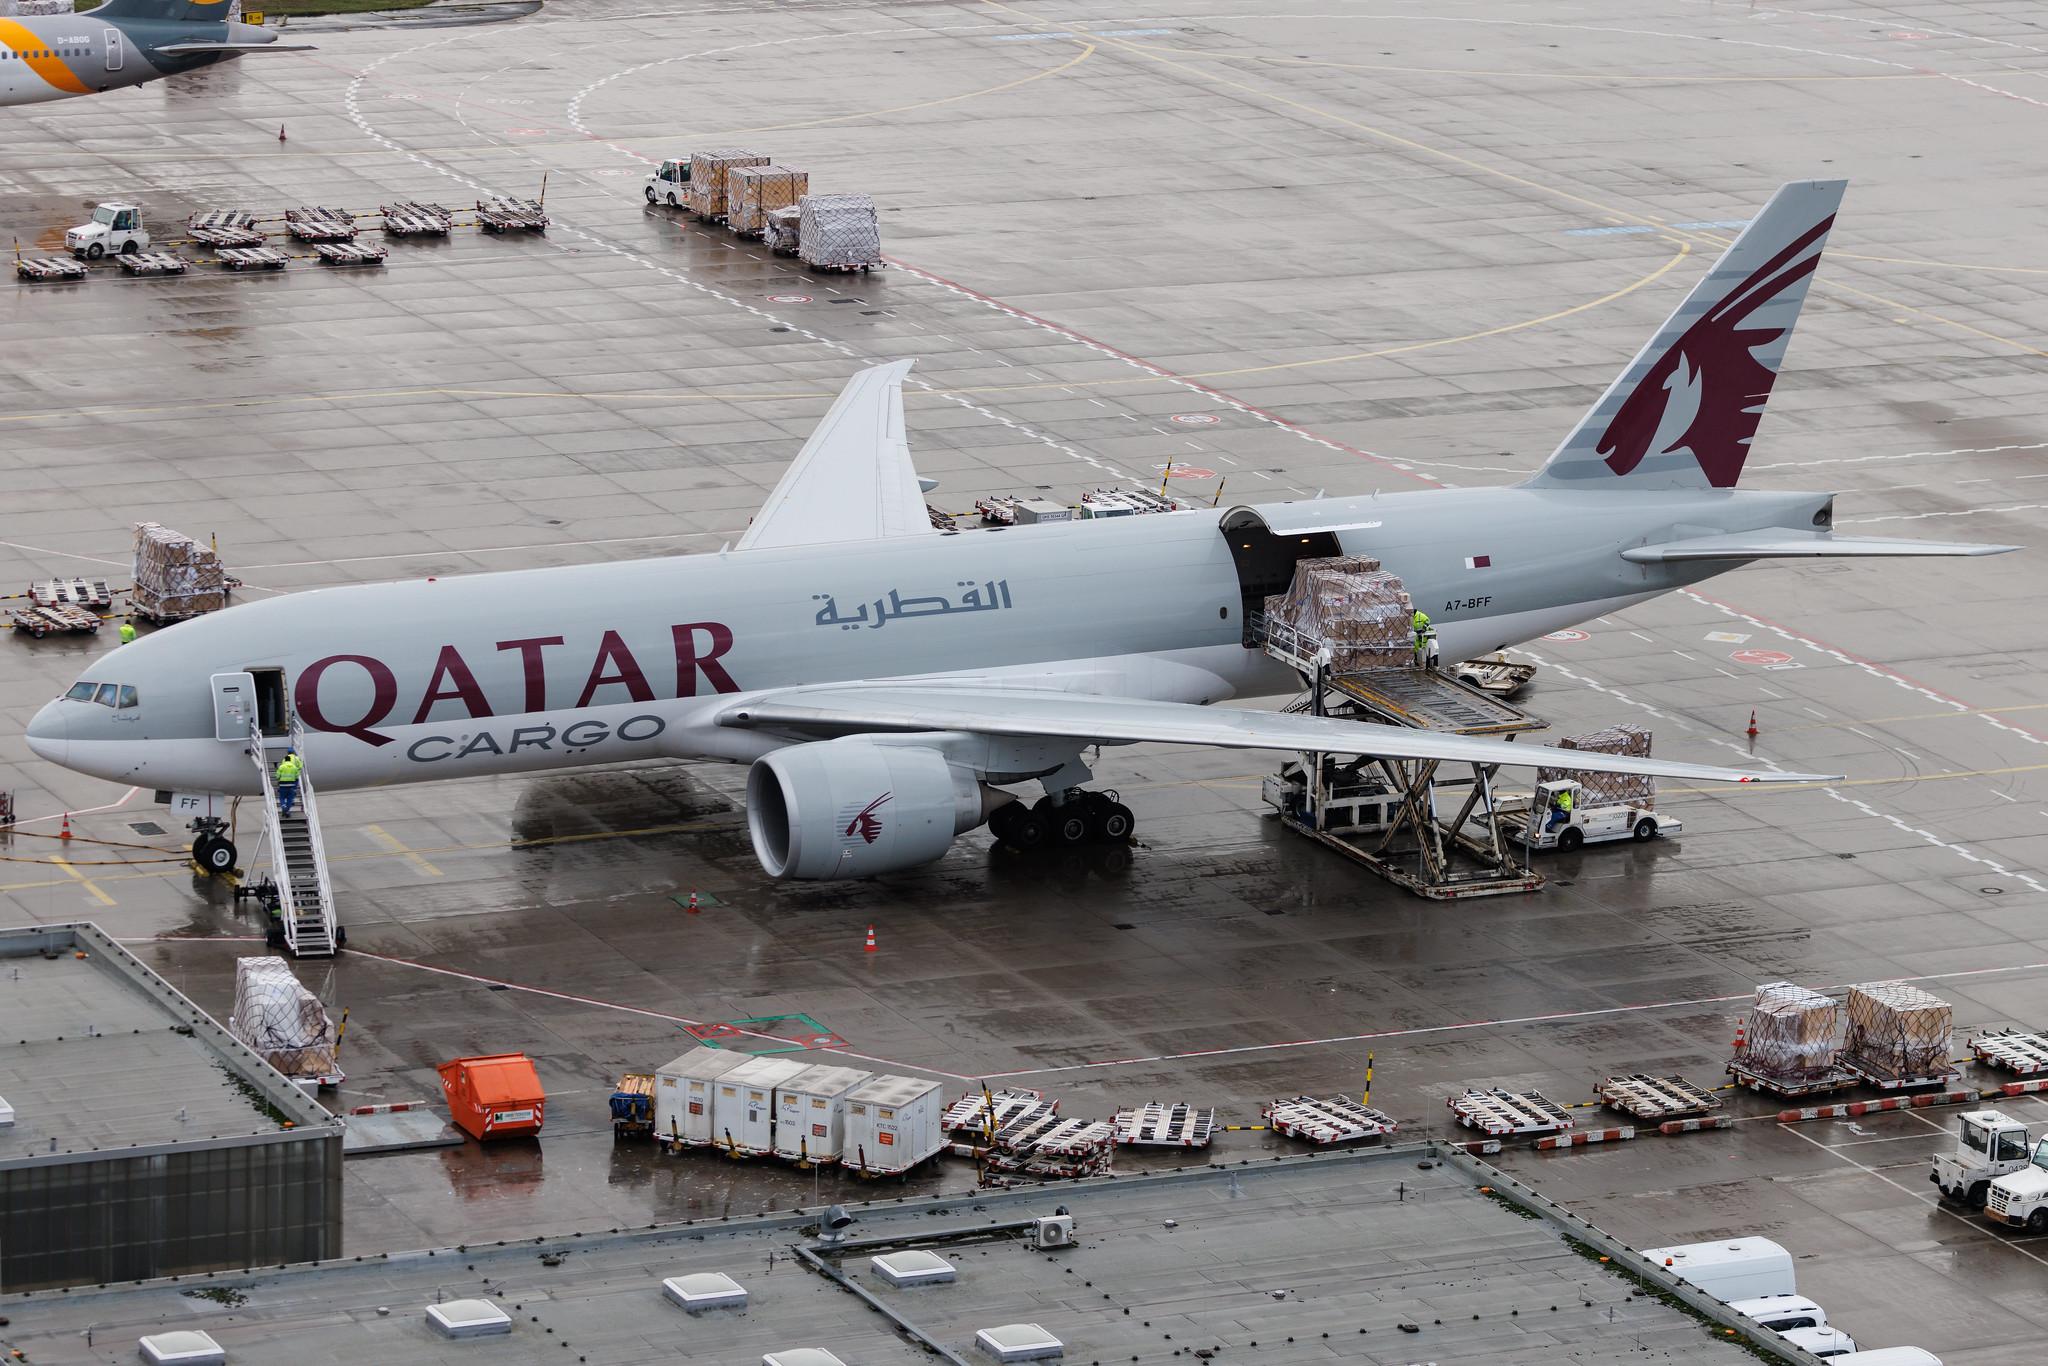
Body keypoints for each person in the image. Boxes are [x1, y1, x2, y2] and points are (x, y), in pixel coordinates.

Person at [275, 752, 303, 817]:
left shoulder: (281, 767)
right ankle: (287, 811)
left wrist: (280, 778)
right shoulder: (294, 767)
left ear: (285, 760)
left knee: (282, 797)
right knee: (290, 799)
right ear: (290, 760)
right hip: (291, 785)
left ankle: (284, 807)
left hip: (283, 785)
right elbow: (296, 777)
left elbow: (277, 776)